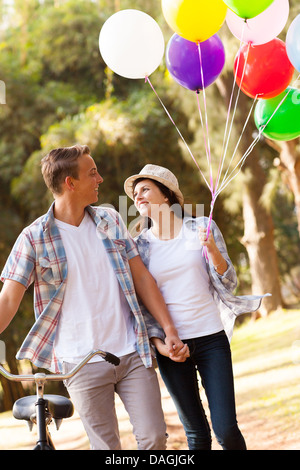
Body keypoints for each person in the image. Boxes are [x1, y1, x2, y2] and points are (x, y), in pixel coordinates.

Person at [0, 145, 185, 450]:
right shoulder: (33, 238)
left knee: (153, 438)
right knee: (107, 448)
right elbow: (8, 301)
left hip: (131, 350)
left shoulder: (110, 219)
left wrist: (169, 328)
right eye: (92, 173)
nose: (100, 178)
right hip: (80, 361)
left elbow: (141, 277)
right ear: (69, 183)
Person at [124, 164, 268, 450]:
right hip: (171, 348)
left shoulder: (201, 228)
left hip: (211, 339)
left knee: (226, 430)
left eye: (145, 190)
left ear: (166, 195)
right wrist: (161, 345)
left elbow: (228, 284)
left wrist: (213, 251)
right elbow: (141, 305)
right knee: (197, 437)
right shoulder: (139, 245)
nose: (138, 197)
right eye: (135, 193)